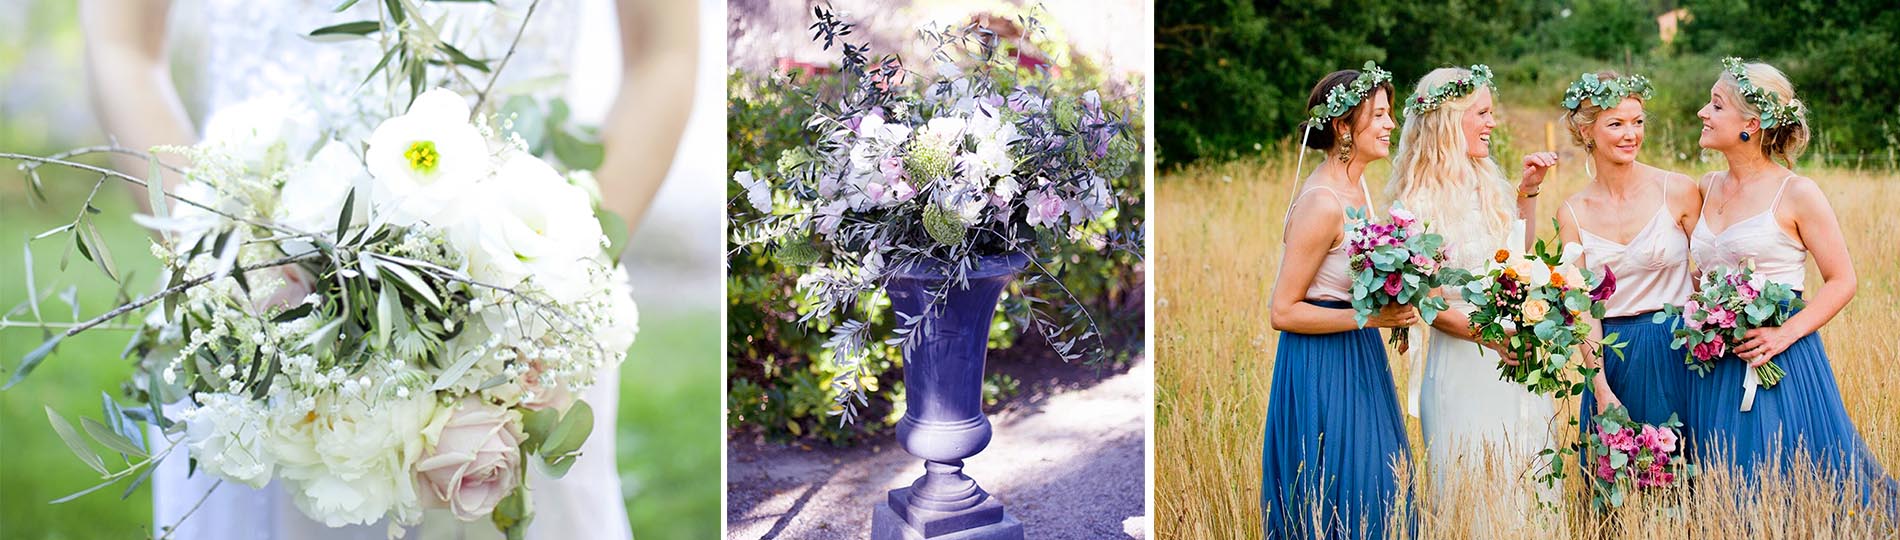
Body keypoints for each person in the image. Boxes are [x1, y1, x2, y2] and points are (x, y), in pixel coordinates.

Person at [79, 0, 698, 537]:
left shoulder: (538, 295)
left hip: (519, 306)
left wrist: (560, 272)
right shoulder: (238, 279)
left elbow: (664, 52)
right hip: (250, 290)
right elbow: (121, 42)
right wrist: (214, 244)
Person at [1686, 57, 1896, 509]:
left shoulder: (1797, 193)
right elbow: (1699, 273)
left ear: (1752, 124)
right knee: (1721, 492)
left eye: (1716, 105)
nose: (1703, 112)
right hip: (1714, 364)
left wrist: (1784, 333)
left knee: (1780, 486)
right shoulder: (1705, 186)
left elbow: (1843, 280)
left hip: (1777, 361)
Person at [1388, 64, 1561, 520]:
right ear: (1449, 120)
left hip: (1511, 359)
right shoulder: (1414, 203)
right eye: (1481, 113)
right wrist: (1490, 337)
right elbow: (1425, 303)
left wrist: (1526, 194)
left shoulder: (1487, 180)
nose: (1492, 123)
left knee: (1526, 485)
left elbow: (1516, 265)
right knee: (1471, 493)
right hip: (1461, 360)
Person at [1259, 62, 1416, 539]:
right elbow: (1282, 311)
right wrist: (1371, 316)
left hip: (1361, 356)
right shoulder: (1322, 202)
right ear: (1344, 126)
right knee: (1347, 494)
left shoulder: (1360, 188)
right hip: (1322, 365)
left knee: (1387, 490)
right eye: (1382, 115)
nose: (1392, 124)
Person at [1549, 71, 1700, 438]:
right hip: (1613, 356)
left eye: (1637, 122)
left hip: (1678, 349)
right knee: (1617, 473)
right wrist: (1600, 387)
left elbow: (1713, 269)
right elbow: (1581, 307)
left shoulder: (1677, 190)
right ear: (1587, 132)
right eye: (1616, 124)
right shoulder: (1573, 212)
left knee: (1687, 468)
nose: (1631, 134)